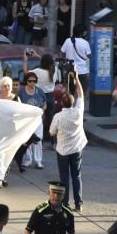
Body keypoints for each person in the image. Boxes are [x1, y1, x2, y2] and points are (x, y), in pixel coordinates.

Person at [49, 74, 86, 212]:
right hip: (77, 148)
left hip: (63, 150)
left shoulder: (58, 117)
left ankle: (65, 203)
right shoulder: (78, 112)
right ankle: (79, 203)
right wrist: (76, 79)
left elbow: (52, 132)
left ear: (61, 104)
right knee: (76, 176)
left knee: (64, 178)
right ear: (72, 102)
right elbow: (80, 94)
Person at [59, 24, 91, 100]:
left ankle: (70, 107)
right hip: (82, 72)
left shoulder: (67, 41)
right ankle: (80, 109)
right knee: (81, 93)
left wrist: (65, 61)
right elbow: (89, 56)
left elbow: (62, 53)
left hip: (70, 71)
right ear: (83, 33)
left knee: (70, 93)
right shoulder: (85, 43)